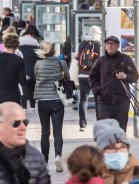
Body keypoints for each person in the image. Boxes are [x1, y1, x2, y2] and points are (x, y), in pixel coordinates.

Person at [88, 35, 139, 131]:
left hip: (122, 101)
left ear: (118, 46)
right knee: (105, 131)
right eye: (108, 44)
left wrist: (125, 77)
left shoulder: (126, 59)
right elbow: (92, 77)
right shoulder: (100, 61)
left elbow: (135, 76)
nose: (110, 46)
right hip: (104, 102)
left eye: (112, 44)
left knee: (121, 131)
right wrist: (99, 90)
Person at [32, 40, 68, 173]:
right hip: (57, 100)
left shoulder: (38, 63)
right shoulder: (60, 63)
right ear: (54, 50)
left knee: (45, 132)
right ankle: (58, 156)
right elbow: (68, 77)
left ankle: (45, 162)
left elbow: (37, 78)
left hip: (42, 101)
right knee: (57, 132)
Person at [72, 26, 103, 131]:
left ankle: (82, 124)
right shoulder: (99, 45)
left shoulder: (81, 44)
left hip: (82, 75)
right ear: (98, 34)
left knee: (83, 100)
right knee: (98, 100)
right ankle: (99, 124)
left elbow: (76, 58)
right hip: (95, 77)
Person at [18, 25, 41, 109]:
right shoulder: (36, 46)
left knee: (24, 89)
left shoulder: (19, 47)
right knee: (32, 89)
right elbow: (39, 59)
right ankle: (33, 107)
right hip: (33, 70)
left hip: (22, 71)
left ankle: (24, 107)